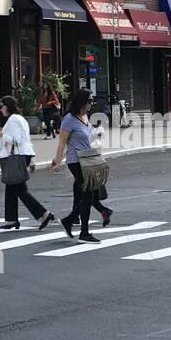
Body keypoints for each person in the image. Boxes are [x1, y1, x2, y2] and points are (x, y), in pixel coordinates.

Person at [51, 90, 112, 243]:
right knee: (88, 194)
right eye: (90, 100)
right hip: (76, 161)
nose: (92, 103)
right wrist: (57, 161)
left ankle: (72, 222)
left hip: (88, 160)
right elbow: (62, 141)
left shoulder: (85, 117)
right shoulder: (69, 119)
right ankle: (82, 232)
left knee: (88, 195)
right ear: (81, 102)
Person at [0, 96, 55, 231]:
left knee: (19, 189)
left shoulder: (13, 120)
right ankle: (11, 220)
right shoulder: (21, 119)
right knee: (12, 188)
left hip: (16, 156)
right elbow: (26, 140)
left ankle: (43, 214)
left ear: (8, 107)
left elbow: (17, 140)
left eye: (2, 106)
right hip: (23, 155)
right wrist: (32, 160)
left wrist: (0, 134)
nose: (1, 109)